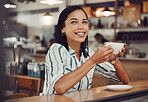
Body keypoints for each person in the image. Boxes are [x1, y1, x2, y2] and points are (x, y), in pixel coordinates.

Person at [41, 6, 129, 95]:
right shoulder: (57, 49)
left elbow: (124, 80)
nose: (81, 27)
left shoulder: (88, 53)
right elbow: (59, 87)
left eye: (84, 22)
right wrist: (93, 61)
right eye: (74, 22)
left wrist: (114, 59)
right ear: (62, 29)